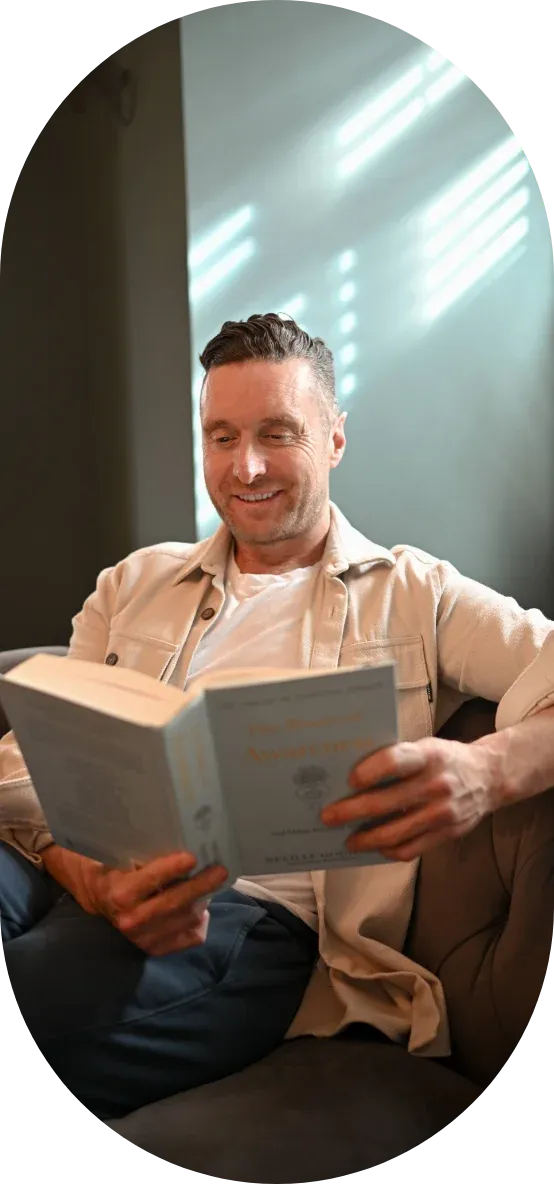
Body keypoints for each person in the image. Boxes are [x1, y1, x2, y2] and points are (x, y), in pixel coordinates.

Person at [1, 313, 553, 1122]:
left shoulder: (417, 592)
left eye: (277, 433)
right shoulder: (133, 583)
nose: (246, 467)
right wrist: (83, 873)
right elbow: (28, 752)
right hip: (64, 861)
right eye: (221, 437)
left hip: (241, 913)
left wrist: (487, 769)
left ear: (334, 439)